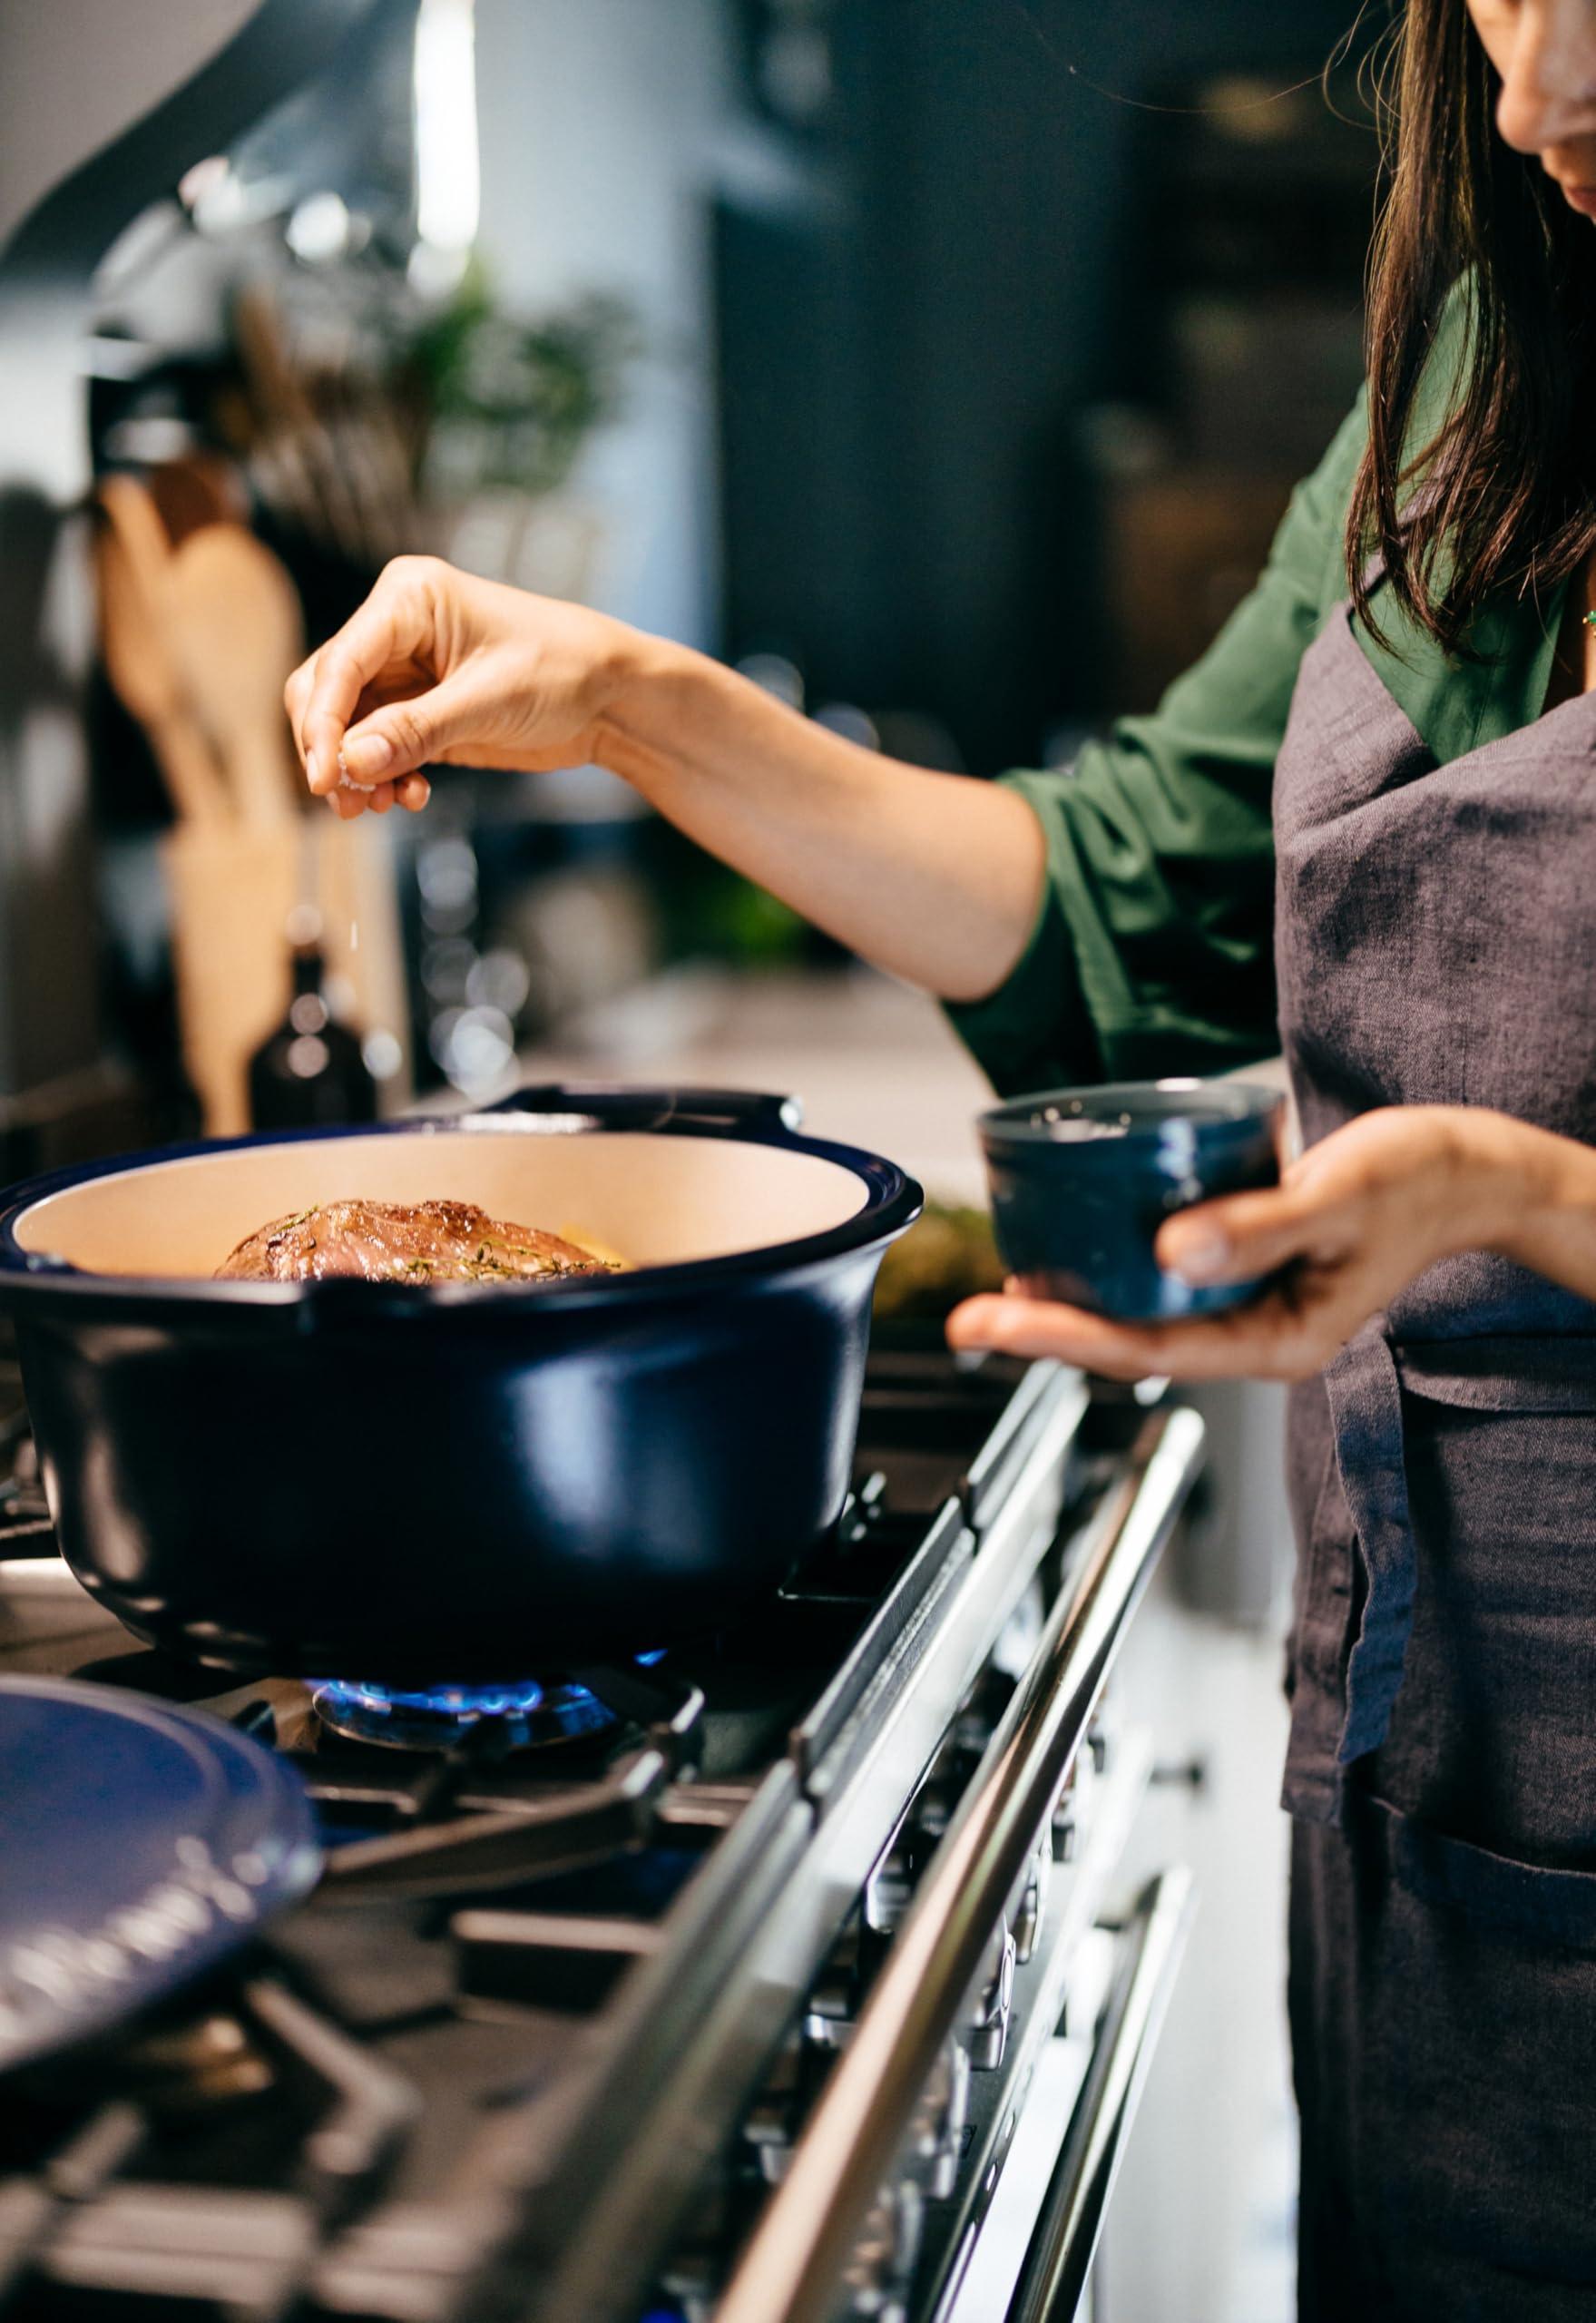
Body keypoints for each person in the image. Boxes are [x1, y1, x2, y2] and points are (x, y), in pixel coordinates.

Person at [287, 3, 1596, 2311]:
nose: (1537, 100)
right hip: (1445, 1804)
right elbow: (1135, 884)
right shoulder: (1498, 351)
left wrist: (1518, 1196)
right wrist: (634, 702)